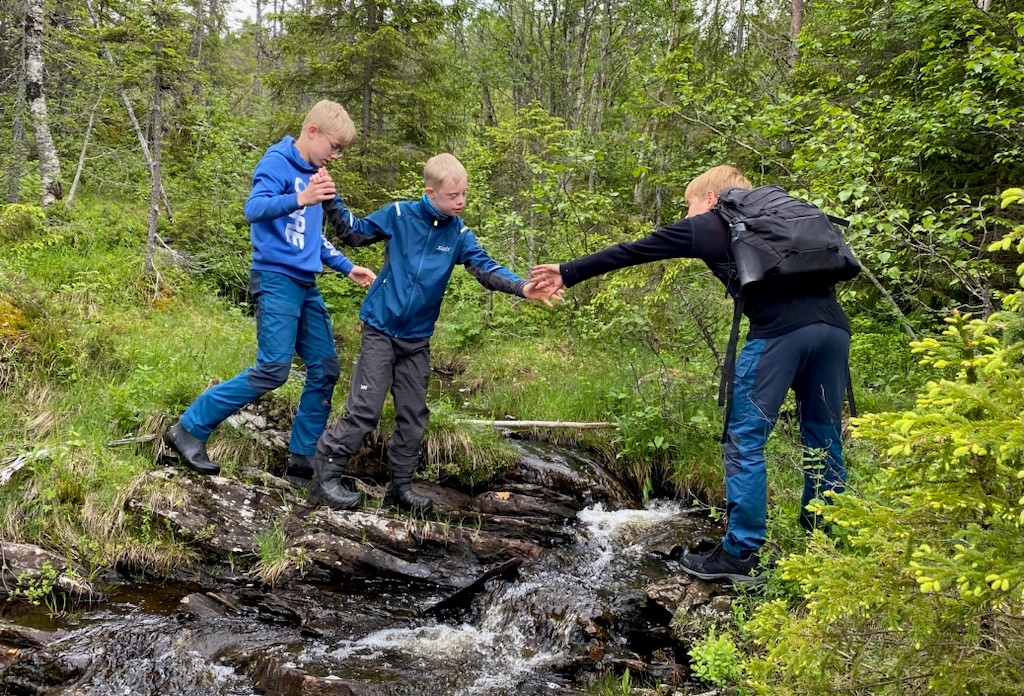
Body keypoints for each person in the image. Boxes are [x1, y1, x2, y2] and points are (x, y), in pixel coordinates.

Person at [531, 165, 849, 586]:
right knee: (823, 439)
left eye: (689, 205)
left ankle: (740, 555)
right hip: (834, 331)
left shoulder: (714, 224)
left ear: (711, 199)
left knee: (745, 441)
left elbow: (635, 249)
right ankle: (825, 548)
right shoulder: (783, 217)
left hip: (778, 337)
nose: (687, 215)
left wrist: (568, 272)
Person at [311, 153, 557, 513]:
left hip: (417, 339)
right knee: (366, 409)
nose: (461, 202)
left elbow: (486, 268)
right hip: (380, 328)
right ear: (431, 192)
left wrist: (523, 288)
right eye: (453, 196)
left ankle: (401, 488)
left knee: (413, 414)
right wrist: (331, 199)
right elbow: (353, 232)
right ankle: (325, 477)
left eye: (464, 195)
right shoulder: (399, 215)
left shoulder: (458, 234)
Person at [163, 100, 376, 482]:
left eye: (341, 149)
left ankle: (302, 458)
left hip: (304, 283)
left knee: (325, 366)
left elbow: (312, 237)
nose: (336, 155)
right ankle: (189, 429)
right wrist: (301, 198)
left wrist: (347, 267)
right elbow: (254, 208)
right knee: (273, 369)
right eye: (334, 146)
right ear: (312, 132)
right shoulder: (277, 162)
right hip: (275, 279)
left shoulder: (317, 173)